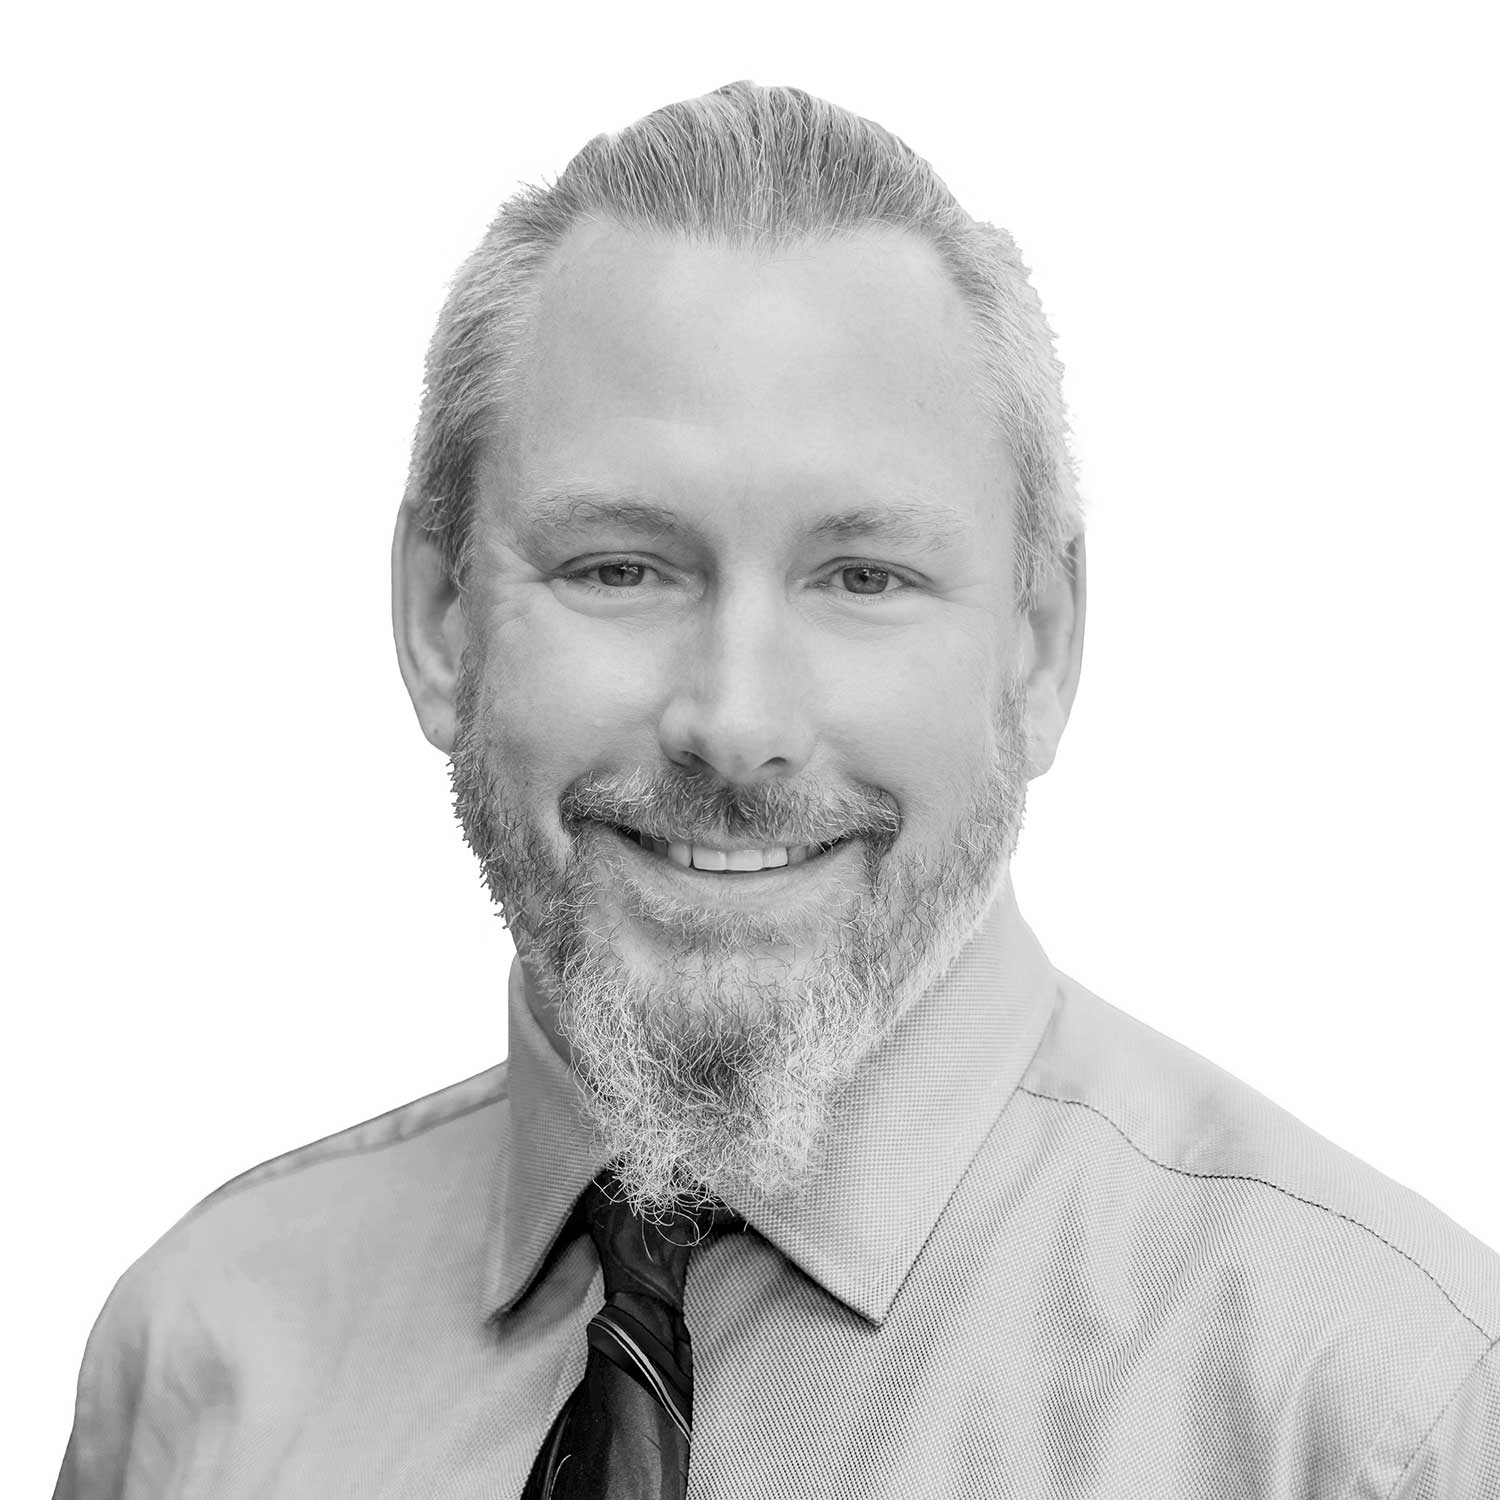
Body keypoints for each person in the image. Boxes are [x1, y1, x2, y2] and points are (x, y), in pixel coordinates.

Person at [54, 80, 1499, 1500]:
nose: (734, 724)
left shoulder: (1381, 1418)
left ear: (1041, 646)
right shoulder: (197, 1367)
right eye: (619, 567)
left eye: (861, 577)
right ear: (439, 618)